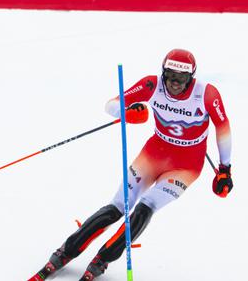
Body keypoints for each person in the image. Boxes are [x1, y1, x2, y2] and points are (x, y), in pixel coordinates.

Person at [29, 48, 233, 281]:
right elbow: (111, 104)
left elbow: (223, 128)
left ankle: (103, 259)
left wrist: (224, 170)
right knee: (118, 206)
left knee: (146, 206)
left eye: (182, 78)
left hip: (186, 165)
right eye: (170, 76)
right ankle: (65, 252)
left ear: (191, 77)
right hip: (155, 153)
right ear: (163, 72)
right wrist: (126, 111)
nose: (175, 83)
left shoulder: (206, 94)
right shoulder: (151, 85)